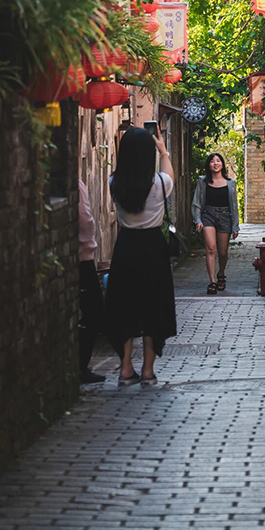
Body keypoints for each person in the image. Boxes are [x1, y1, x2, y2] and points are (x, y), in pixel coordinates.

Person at [106, 126, 177, 387]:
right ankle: (148, 370)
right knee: (153, 308)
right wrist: (164, 151)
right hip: (152, 248)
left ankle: (125, 369)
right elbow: (170, 175)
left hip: (125, 247)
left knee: (125, 306)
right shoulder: (159, 183)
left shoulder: (115, 183)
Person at [192, 153, 239, 294]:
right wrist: (198, 220)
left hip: (225, 217)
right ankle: (212, 281)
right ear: (209, 165)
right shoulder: (202, 181)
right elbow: (197, 202)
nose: (216, 163)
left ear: (222, 164)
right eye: (212, 161)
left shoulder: (231, 183)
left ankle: (221, 274)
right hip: (208, 216)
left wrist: (235, 226)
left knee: (223, 252)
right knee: (211, 249)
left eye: (218, 161)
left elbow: (234, 206)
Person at [78, 179, 106, 384]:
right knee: (93, 312)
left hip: (84, 255)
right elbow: (85, 221)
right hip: (82, 257)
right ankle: (79, 366)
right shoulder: (74, 184)